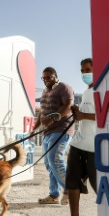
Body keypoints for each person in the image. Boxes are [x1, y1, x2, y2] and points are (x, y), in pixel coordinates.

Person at [57, 58, 97, 216]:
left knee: (100, 186)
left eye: (88, 70)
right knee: (72, 181)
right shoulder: (87, 90)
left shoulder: (103, 89)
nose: (84, 74)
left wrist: (83, 115)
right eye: (82, 71)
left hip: (95, 146)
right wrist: (77, 111)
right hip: (78, 143)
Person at [34, 67, 75, 205]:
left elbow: (68, 105)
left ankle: (70, 190)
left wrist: (52, 119)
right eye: (44, 78)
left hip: (62, 129)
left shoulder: (64, 87)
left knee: (54, 159)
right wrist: (34, 129)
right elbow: (42, 113)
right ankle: (54, 195)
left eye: (49, 77)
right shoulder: (45, 92)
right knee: (49, 164)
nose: (46, 80)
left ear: (55, 76)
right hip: (47, 132)